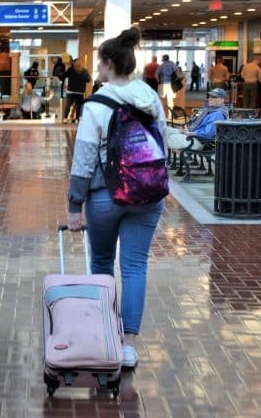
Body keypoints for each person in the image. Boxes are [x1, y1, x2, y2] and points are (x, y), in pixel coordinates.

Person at [66, 27, 166, 369]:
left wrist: (74, 205)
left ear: (109, 64)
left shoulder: (96, 105)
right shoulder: (150, 98)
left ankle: (105, 333)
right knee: (135, 266)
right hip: (147, 195)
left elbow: (83, 159)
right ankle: (128, 346)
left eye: (99, 63)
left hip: (105, 196)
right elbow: (161, 145)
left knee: (101, 263)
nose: (97, 69)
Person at [165, 87, 229, 153]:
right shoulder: (210, 110)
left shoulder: (217, 114)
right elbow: (199, 125)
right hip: (193, 135)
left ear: (222, 100)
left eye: (214, 97)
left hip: (198, 141)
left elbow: (208, 134)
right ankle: (178, 154)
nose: (210, 99)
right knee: (165, 130)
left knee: (168, 138)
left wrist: (192, 133)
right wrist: (187, 130)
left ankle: (172, 155)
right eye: (210, 96)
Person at [62, 57, 91, 123]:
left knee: (79, 106)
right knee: (68, 105)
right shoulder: (71, 70)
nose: (79, 63)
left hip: (80, 92)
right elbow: (64, 75)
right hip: (71, 91)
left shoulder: (84, 71)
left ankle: (77, 119)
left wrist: (83, 78)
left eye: (79, 62)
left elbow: (88, 79)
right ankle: (65, 118)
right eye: (77, 62)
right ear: (74, 63)